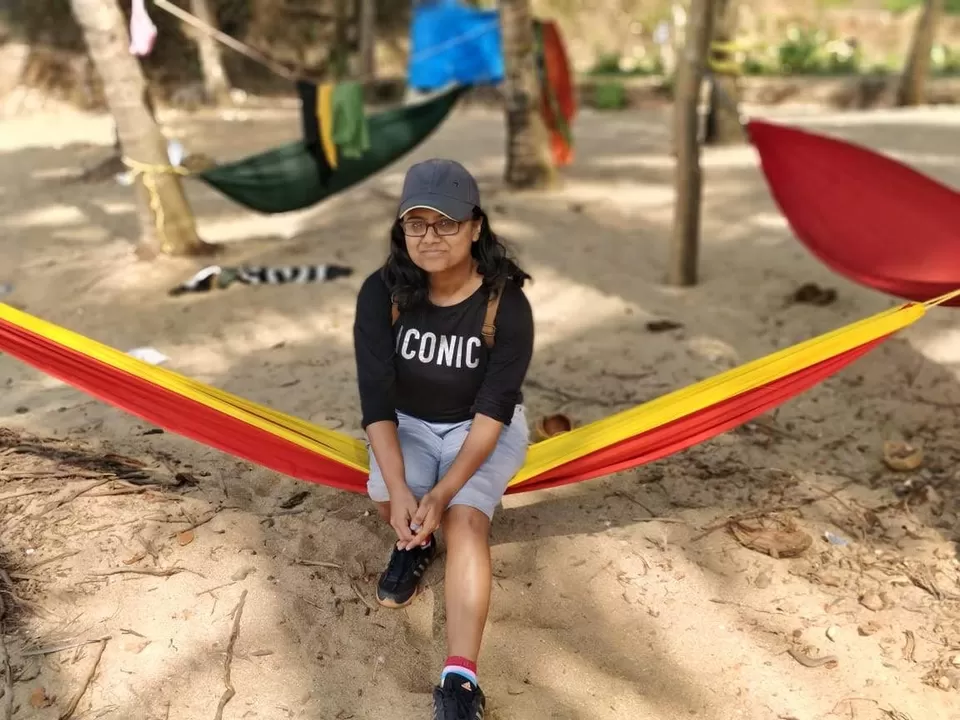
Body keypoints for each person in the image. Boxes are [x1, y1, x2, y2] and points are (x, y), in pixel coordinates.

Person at [352, 158, 534, 718]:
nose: (430, 237)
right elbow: (377, 403)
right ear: (402, 229)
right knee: (390, 499)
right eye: (417, 223)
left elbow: (492, 412)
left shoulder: (507, 303)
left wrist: (444, 491)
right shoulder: (381, 293)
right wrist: (406, 491)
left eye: (446, 223)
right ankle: (415, 543)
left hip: (481, 430)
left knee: (464, 520)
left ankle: (459, 681)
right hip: (405, 423)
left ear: (475, 226)